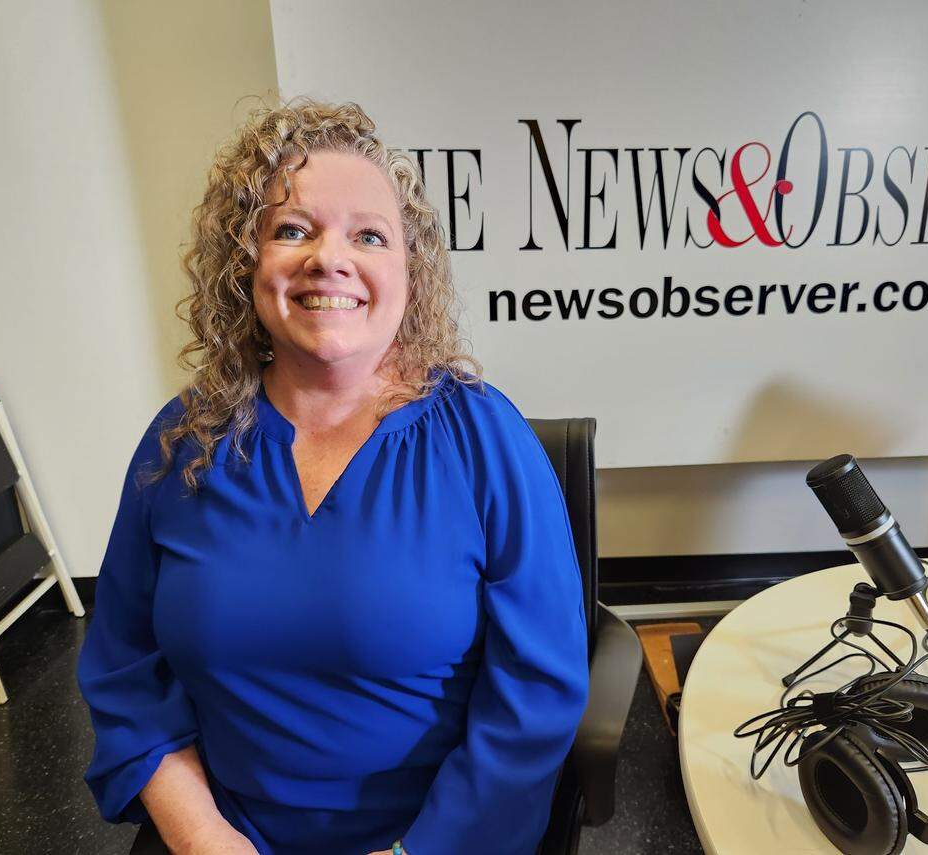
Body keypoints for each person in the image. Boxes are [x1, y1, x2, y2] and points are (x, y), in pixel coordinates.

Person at [76, 100, 590, 855]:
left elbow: (536, 695)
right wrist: (201, 836)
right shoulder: (180, 445)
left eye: (369, 235)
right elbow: (124, 670)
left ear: (409, 272)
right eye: (292, 229)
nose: (329, 258)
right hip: (223, 834)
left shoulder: (486, 440)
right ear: (245, 261)